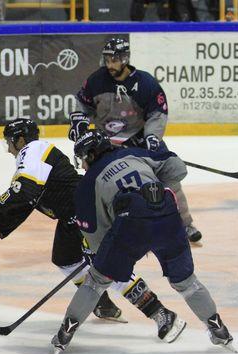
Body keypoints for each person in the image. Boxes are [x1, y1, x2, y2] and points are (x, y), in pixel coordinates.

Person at [0, 118, 185, 340]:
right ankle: (102, 303)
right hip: (71, 216)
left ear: (20, 140)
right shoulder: (32, 157)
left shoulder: (33, 150)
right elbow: (24, 198)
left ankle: (160, 313)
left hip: (85, 213)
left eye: (9, 142)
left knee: (109, 265)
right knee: (65, 259)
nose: (9, 148)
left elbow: (25, 192)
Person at [51, 130, 235, 354]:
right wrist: (155, 187)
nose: (83, 165)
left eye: (82, 159)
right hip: (168, 216)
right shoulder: (135, 154)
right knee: (187, 283)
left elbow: (95, 233)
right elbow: (178, 168)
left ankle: (65, 334)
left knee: (96, 282)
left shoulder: (88, 183)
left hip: (130, 225)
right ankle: (219, 330)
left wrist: (103, 256)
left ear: (89, 155)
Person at [68, 37, 202, 244]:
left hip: (138, 140)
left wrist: (152, 138)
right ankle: (107, 229)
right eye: (107, 60)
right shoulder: (96, 80)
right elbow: (82, 104)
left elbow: (157, 113)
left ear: (125, 59)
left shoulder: (145, 82)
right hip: (106, 146)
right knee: (101, 184)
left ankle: (184, 224)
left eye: (114, 60)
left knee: (169, 178)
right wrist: (79, 120)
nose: (110, 65)